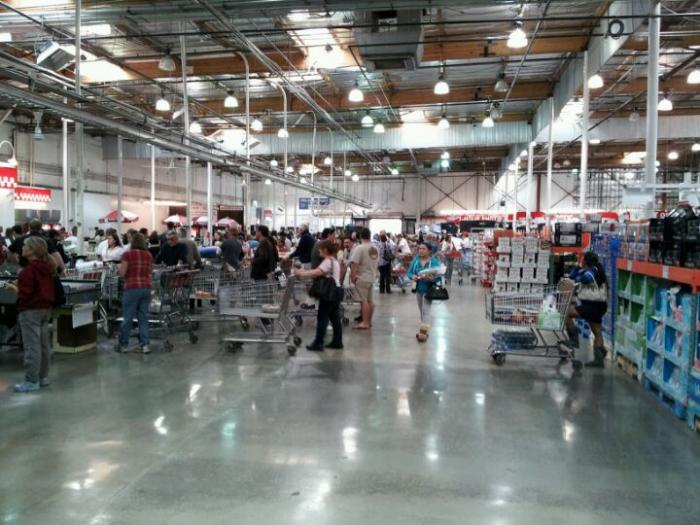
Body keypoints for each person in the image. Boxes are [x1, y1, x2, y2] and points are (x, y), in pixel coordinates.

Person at [5, 236, 56, 392]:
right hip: (45, 309)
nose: (22, 248)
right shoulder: (47, 267)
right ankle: (43, 377)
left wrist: (13, 287)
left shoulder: (28, 271)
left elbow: (25, 294)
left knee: (31, 346)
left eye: (25, 245)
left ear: (32, 249)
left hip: (30, 311)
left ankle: (31, 381)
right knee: (43, 345)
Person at [295, 239, 344, 351]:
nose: (318, 251)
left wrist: (300, 273)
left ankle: (318, 343)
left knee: (322, 317)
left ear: (325, 250)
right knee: (335, 317)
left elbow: (317, 272)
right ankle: (337, 341)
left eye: (320, 249)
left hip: (329, 293)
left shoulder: (327, 261)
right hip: (336, 291)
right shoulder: (334, 260)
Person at [565, 251, 609, 368]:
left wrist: (579, 276)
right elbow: (572, 276)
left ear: (586, 260)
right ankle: (599, 357)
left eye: (583, 259)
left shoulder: (594, 270)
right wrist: (578, 268)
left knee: (567, 313)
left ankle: (574, 338)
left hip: (593, 305)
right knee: (596, 331)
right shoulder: (592, 268)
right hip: (598, 305)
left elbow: (586, 278)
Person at [116, 233, 154, 354]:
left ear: (132, 242)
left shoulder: (127, 255)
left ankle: (123, 345)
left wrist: (118, 268)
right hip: (146, 288)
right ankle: (145, 345)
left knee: (128, 318)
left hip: (132, 288)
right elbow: (150, 271)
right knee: (143, 318)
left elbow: (122, 273)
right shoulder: (148, 255)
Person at [407, 242, 443, 341]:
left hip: (429, 290)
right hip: (418, 289)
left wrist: (431, 279)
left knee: (425, 310)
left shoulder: (434, 262)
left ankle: (423, 334)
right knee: (421, 311)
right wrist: (412, 276)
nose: (421, 251)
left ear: (429, 251)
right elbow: (409, 272)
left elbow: (439, 278)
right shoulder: (416, 261)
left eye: (423, 249)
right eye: (419, 248)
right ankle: (424, 329)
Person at [349, 227, 379, 330]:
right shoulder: (375, 248)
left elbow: (354, 263)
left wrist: (353, 276)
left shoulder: (360, 248)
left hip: (362, 277)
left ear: (360, 236)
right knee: (370, 301)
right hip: (372, 276)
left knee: (363, 301)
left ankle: (365, 322)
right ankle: (368, 322)